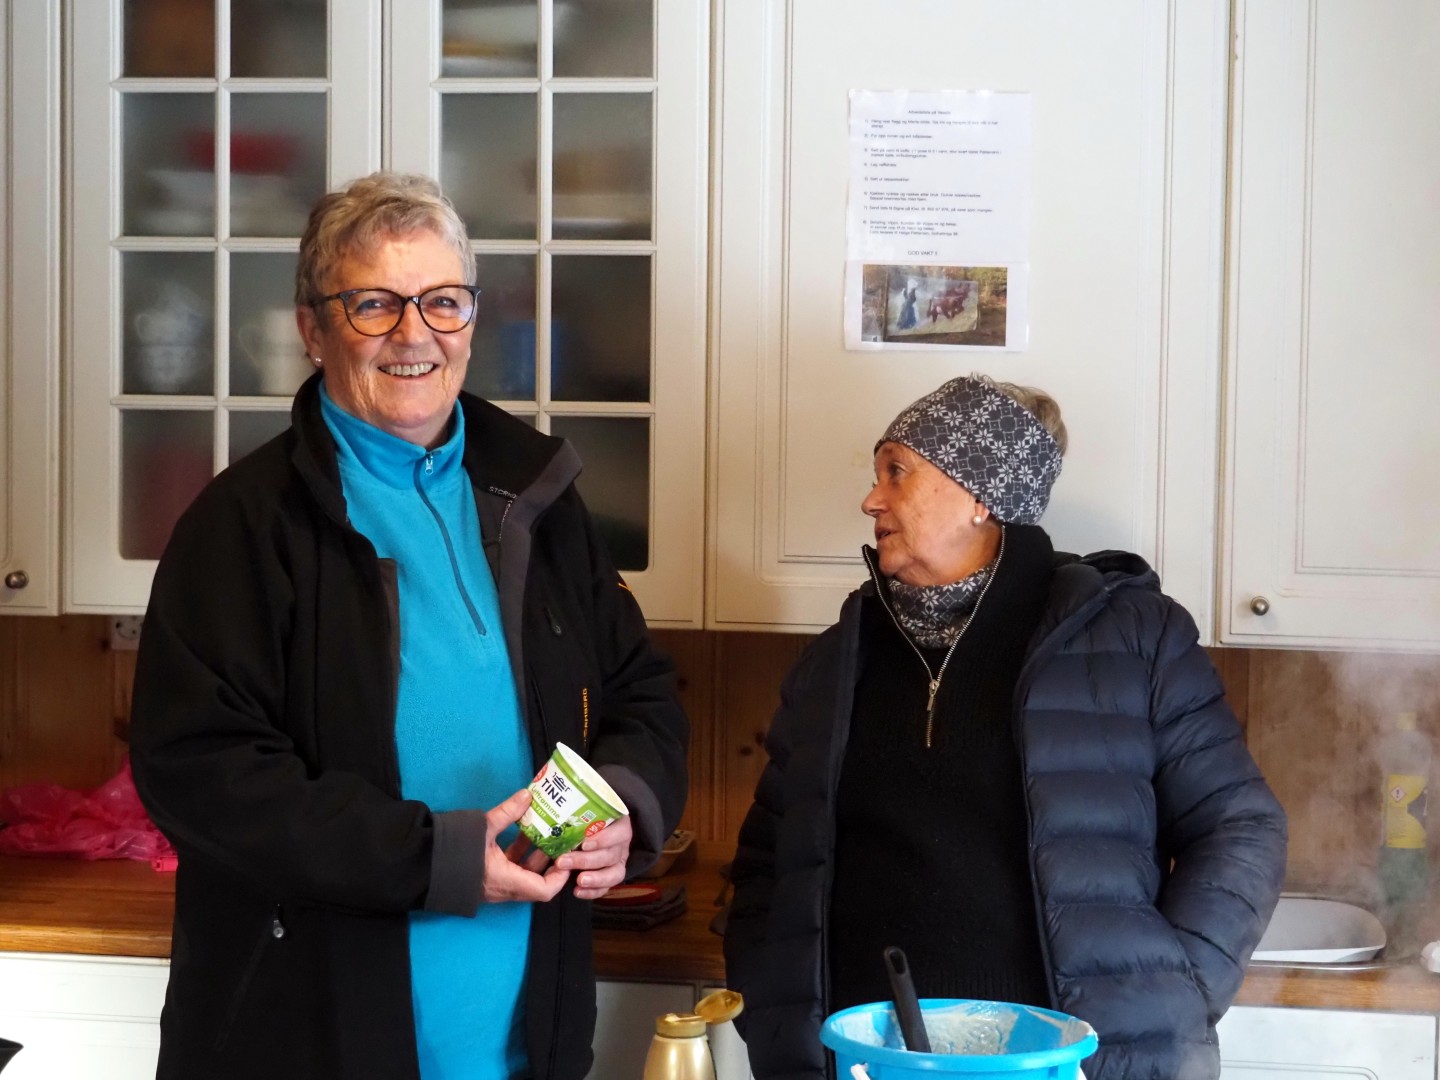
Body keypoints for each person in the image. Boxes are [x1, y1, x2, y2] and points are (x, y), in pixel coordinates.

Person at [129, 171, 688, 1080]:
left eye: (442, 301)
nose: (414, 333)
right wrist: (441, 858)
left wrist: (626, 803)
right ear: (312, 329)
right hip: (303, 1041)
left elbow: (640, 690)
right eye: (374, 304)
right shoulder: (241, 526)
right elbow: (203, 774)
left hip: (525, 1038)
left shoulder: (538, 499)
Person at [722, 374, 1286, 1080]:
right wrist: (772, 1009)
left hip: (1068, 1063)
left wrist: (1175, 992)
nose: (871, 500)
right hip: (861, 1062)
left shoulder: (1133, 637)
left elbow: (1240, 826)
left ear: (980, 494)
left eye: (897, 472)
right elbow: (767, 860)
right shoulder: (839, 658)